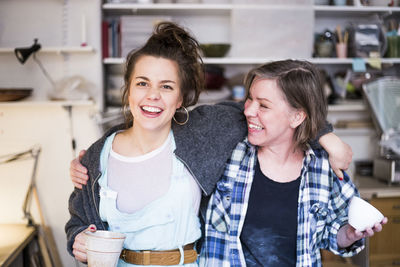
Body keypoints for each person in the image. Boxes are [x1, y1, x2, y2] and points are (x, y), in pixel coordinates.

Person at [66, 23, 353, 265]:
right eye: (142, 83)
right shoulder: (96, 156)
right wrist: (77, 238)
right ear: (128, 90)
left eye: (166, 86)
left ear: (180, 98)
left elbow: (276, 115)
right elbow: (78, 221)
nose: (152, 95)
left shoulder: (204, 133)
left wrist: (327, 136)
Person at [199, 60, 387, 266]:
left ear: (297, 116)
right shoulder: (226, 151)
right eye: (249, 99)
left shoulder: (323, 166)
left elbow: (333, 233)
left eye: (263, 105)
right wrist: (328, 136)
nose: (249, 111)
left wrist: (348, 234)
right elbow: (216, 114)